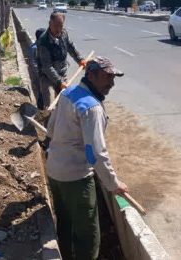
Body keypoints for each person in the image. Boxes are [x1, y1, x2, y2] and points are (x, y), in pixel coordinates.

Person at [46, 56, 129, 260]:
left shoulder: (68, 92)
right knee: (88, 235)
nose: (111, 83)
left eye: (113, 78)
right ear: (91, 75)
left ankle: (65, 255)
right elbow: (96, 154)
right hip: (76, 178)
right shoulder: (92, 108)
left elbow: (50, 129)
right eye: (107, 77)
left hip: (55, 171)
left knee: (65, 223)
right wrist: (113, 183)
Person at [37, 11, 87, 109]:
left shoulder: (63, 33)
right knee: (49, 105)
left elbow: (70, 47)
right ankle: (47, 121)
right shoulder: (43, 42)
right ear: (49, 23)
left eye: (61, 25)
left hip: (62, 72)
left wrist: (80, 60)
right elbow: (47, 67)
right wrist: (59, 82)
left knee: (63, 102)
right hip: (47, 76)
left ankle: (60, 121)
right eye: (56, 25)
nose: (58, 29)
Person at [28, 28, 45, 109]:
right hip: (38, 76)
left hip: (41, 75)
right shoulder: (34, 48)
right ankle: (40, 110)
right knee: (41, 93)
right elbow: (33, 63)